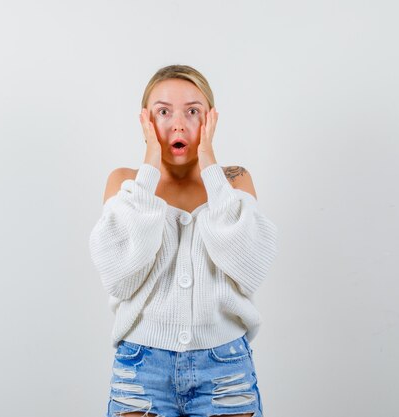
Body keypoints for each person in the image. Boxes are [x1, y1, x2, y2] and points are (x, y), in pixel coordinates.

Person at [88, 64, 279, 417]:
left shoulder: (233, 183)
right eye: (163, 112)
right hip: (141, 369)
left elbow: (249, 267)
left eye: (193, 112)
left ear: (210, 120)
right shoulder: (127, 184)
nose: (178, 124)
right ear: (145, 121)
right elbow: (120, 277)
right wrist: (149, 166)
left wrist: (209, 164)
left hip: (225, 369)